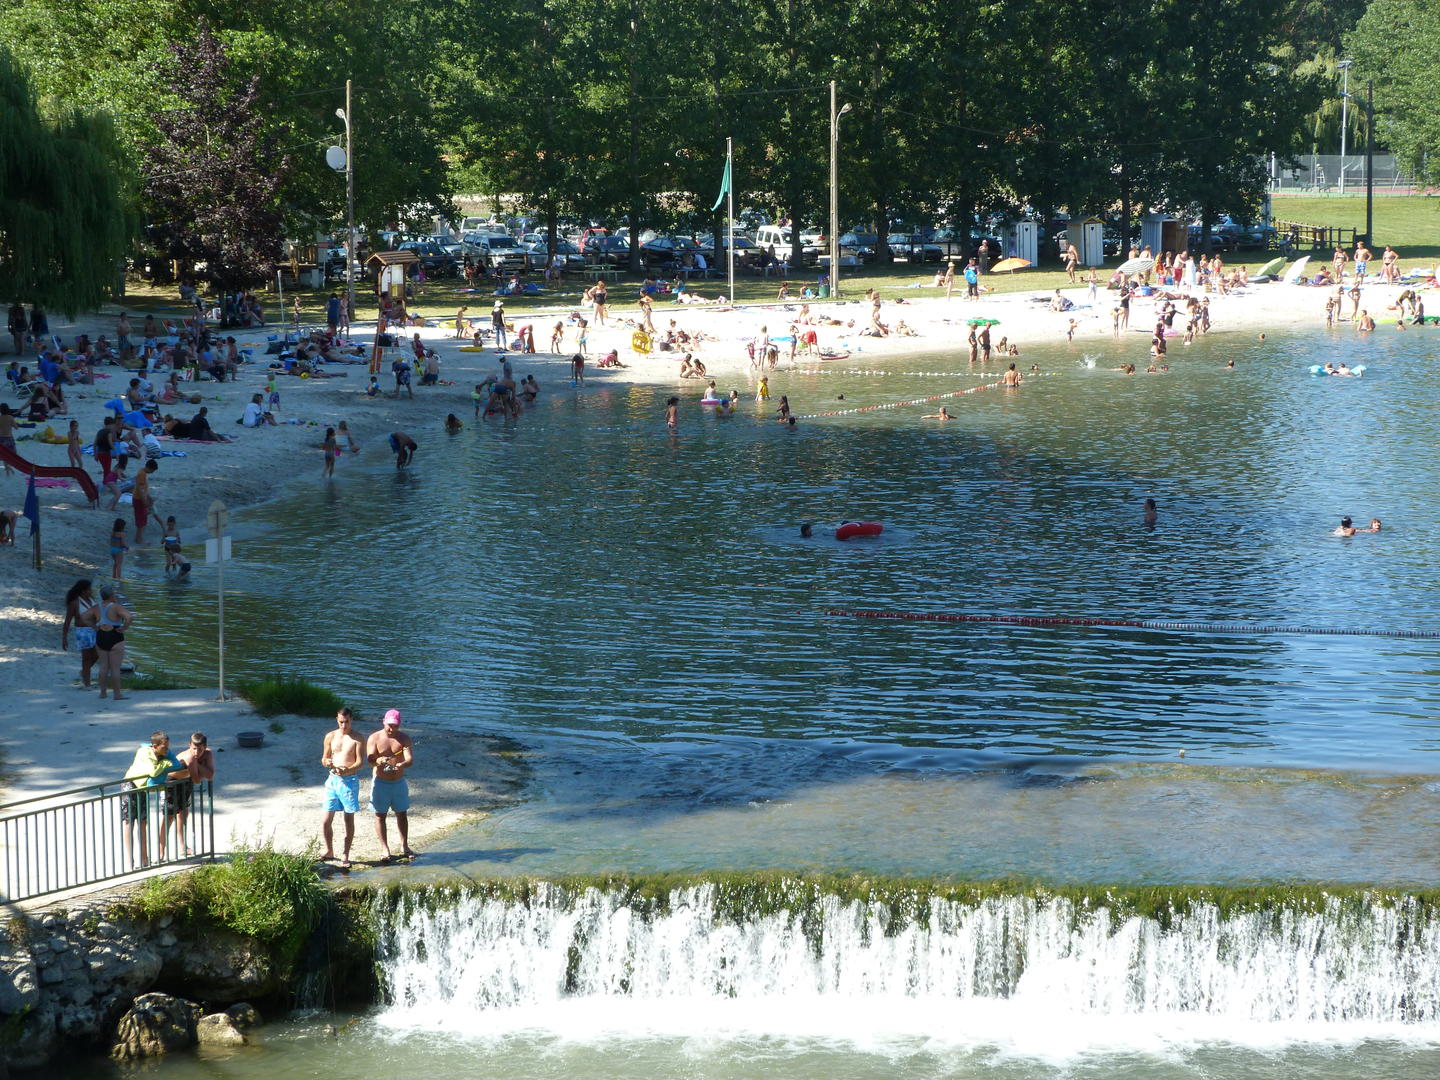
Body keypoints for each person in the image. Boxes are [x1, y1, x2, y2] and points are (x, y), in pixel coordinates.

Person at [121, 731, 188, 868]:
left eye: (168, 747)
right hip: (131, 785)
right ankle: (129, 861)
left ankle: (144, 859)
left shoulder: (163, 753)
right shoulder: (145, 753)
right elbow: (153, 771)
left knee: (143, 822)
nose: (167, 749)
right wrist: (166, 763)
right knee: (129, 822)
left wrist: (167, 758)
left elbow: (177, 764)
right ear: (155, 746)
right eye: (164, 747)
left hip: (143, 787)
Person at [367, 709, 415, 862]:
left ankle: (404, 846)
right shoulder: (374, 738)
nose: (391, 729)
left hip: (398, 782)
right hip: (381, 782)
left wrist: (402, 764)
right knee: (380, 815)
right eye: (389, 725)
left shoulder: (404, 739)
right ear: (384, 722)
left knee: (402, 813)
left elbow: (410, 759)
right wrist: (379, 760)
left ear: (399, 725)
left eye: (395, 726)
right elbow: (370, 759)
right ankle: (384, 848)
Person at [321, 707, 365, 868]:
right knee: (326, 820)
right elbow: (324, 757)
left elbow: (360, 762)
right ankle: (329, 850)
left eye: (346, 722)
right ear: (337, 719)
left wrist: (348, 769)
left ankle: (345, 854)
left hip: (349, 781)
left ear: (351, 720)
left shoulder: (358, 738)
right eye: (341, 722)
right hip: (332, 780)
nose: (344, 725)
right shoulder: (330, 736)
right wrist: (327, 762)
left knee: (348, 819)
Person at [165, 732, 215, 858]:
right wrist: (198, 765)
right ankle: (161, 851)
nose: (196, 752)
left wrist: (197, 766)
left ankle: (182, 846)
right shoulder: (189, 756)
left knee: (183, 814)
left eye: (200, 749)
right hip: (171, 781)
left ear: (205, 746)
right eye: (194, 749)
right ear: (189, 745)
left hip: (185, 780)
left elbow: (210, 775)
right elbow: (198, 780)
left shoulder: (208, 753)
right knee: (169, 817)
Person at [95, 584, 132, 700]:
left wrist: (94, 626)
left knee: (103, 667)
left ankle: (103, 693)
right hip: (115, 635)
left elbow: (85, 617)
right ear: (111, 595)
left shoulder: (97, 607)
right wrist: (125, 627)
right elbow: (129, 617)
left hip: (101, 635)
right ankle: (117, 694)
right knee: (115, 668)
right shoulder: (116, 607)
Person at [61, 579, 100, 688]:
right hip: (83, 632)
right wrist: (64, 637)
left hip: (94, 630)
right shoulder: (74, 603)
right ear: (83, 591)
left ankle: (84, 672)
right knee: (86, 657)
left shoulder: (92, 600)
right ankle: (87, 683)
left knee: (97, 654)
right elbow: (67, 621)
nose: (91, 591)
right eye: (89, 590)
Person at [131, 459, 157, 544]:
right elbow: (140, 489)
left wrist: (148, 497)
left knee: (143, 519)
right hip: (139, 499)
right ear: (150, 468)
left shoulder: (143, 473)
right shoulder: (141, 474)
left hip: (141, 498)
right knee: (140, 520)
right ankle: (138, 539)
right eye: (152, 470)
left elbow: (143, 489)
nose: (152, 472)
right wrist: (144, 501)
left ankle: (139, 537)